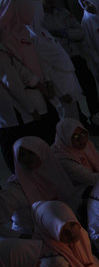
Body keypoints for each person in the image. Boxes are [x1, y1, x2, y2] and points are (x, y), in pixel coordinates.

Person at [31, 0, 99, 121]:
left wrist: (62, 33)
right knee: (71, 95)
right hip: (59, 65)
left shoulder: (62, 12)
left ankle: (97, 119)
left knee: (90, 89)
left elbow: (80, 33)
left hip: (76, 57)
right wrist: (63, 34)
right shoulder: (36, 20)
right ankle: (81, 122)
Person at [0, 0, 59, 143]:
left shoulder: (23, 31)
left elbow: (36, 59)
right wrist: (36, 91)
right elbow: (12, 76)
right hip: (25, 100)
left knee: (52, 133)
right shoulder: (4, 37)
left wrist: (47, 81)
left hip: (39, 91)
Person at [0, 137, 78, 236]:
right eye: (21, 155)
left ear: (42, 152)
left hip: (65, 232)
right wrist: (22, 238)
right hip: (34, 238)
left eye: (31, 153)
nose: (26, 158)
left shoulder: (58, 172)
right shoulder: (16, 188)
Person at [0, 40, 52, 173]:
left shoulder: (5, 49)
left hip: (10, 115)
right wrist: (30, 108)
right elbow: (12, 83)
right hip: (16, 113)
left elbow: (20, 71)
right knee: (21, 150)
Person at [51, 118, 99, 188]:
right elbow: (90, 179)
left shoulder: (87, 144)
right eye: (75, 136)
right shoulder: (61, 155)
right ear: (66, 137)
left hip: (96, 181)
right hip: (77, 190)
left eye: (83, 133)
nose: (81, 140)